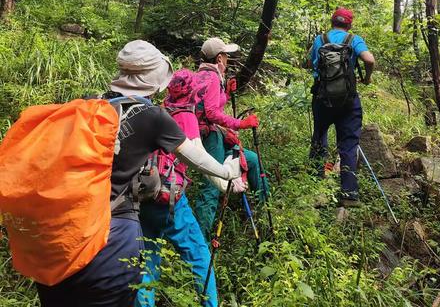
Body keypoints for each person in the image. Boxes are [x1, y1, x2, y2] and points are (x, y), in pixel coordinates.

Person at [35, 40, 241, 307]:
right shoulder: (152, 116)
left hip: (66, 229)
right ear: (155, 80)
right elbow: (196, 157)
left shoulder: (90, 104)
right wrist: (227, 172)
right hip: (114, 234)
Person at [136, 69, 247, 307]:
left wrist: (225, 94)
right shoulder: (186, 118)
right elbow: (199, 160)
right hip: (169, 198)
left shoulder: (160, 110)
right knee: (199, 255)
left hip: (143, 193)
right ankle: (211, 304)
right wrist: (229, 180)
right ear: (192, 93)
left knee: (148, 260)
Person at [194, 37, 270, 239]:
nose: (228, 59)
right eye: (226, 55)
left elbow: (211, 106)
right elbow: (211, 113)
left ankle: (263, 209)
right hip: (209, 136)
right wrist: (241, 124)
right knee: (212, 185)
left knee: (251, 160)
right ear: (219, 58)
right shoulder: (211, 78)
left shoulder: (203, 75)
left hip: (210, 134)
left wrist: (226, 93)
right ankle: (200, 241)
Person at [309, 8, 375, 206]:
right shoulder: (353, 39)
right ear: (349, 24)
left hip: (322, 98)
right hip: (348, 100)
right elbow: (369, 59)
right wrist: (367, 78)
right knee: (348, 144)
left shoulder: (319, 39)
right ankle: (349, 195)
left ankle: (314, 188)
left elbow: (311, 63)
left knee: (319, 138)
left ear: (332, 21)